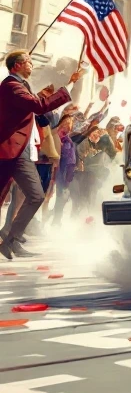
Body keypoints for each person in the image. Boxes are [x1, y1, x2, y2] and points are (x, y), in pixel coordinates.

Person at [0, 51, 80, 259]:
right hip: (8, 151)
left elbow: (41, 111)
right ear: (17, 65)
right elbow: (39, 105)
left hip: (21, 153)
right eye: (28, 62)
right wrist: (68, 88)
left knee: (36, 196)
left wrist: (68, 84)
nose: (32, 65)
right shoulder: (11, 86)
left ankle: (10, 240)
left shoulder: (21, 86)